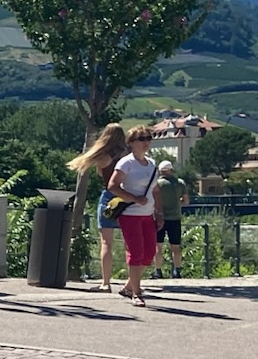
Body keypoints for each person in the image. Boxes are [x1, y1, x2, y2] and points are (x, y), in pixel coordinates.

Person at [105, 125, 163, 306]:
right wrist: (134, 198)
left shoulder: (152, 164)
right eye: (142, 139)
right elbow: (112, 186)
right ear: (131, 142)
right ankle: (136, 293)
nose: (146, 142)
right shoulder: (126, 163)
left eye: (148, 138)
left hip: (148, 214)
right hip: (130, 214)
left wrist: (159, 212)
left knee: (149, 253)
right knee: (136, 252)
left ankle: (129, 286)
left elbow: (156, 190)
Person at [68, 122, 128, 292]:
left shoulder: (103, 156)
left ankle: (106, 283)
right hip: (127, 198)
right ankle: (131, 282)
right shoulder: (128, 155)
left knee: (106, 243)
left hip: (109, 197)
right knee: (129, 243)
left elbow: (101, 174)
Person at [155, 163, 187, 277]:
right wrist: (178, 203)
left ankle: (158, 271)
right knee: (175, 246)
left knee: (158, 246)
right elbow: (186, 201)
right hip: (175, 218)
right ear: (171, 170)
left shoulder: (157, 184)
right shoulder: (180, 183)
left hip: (160, 218)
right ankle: (177, 270)